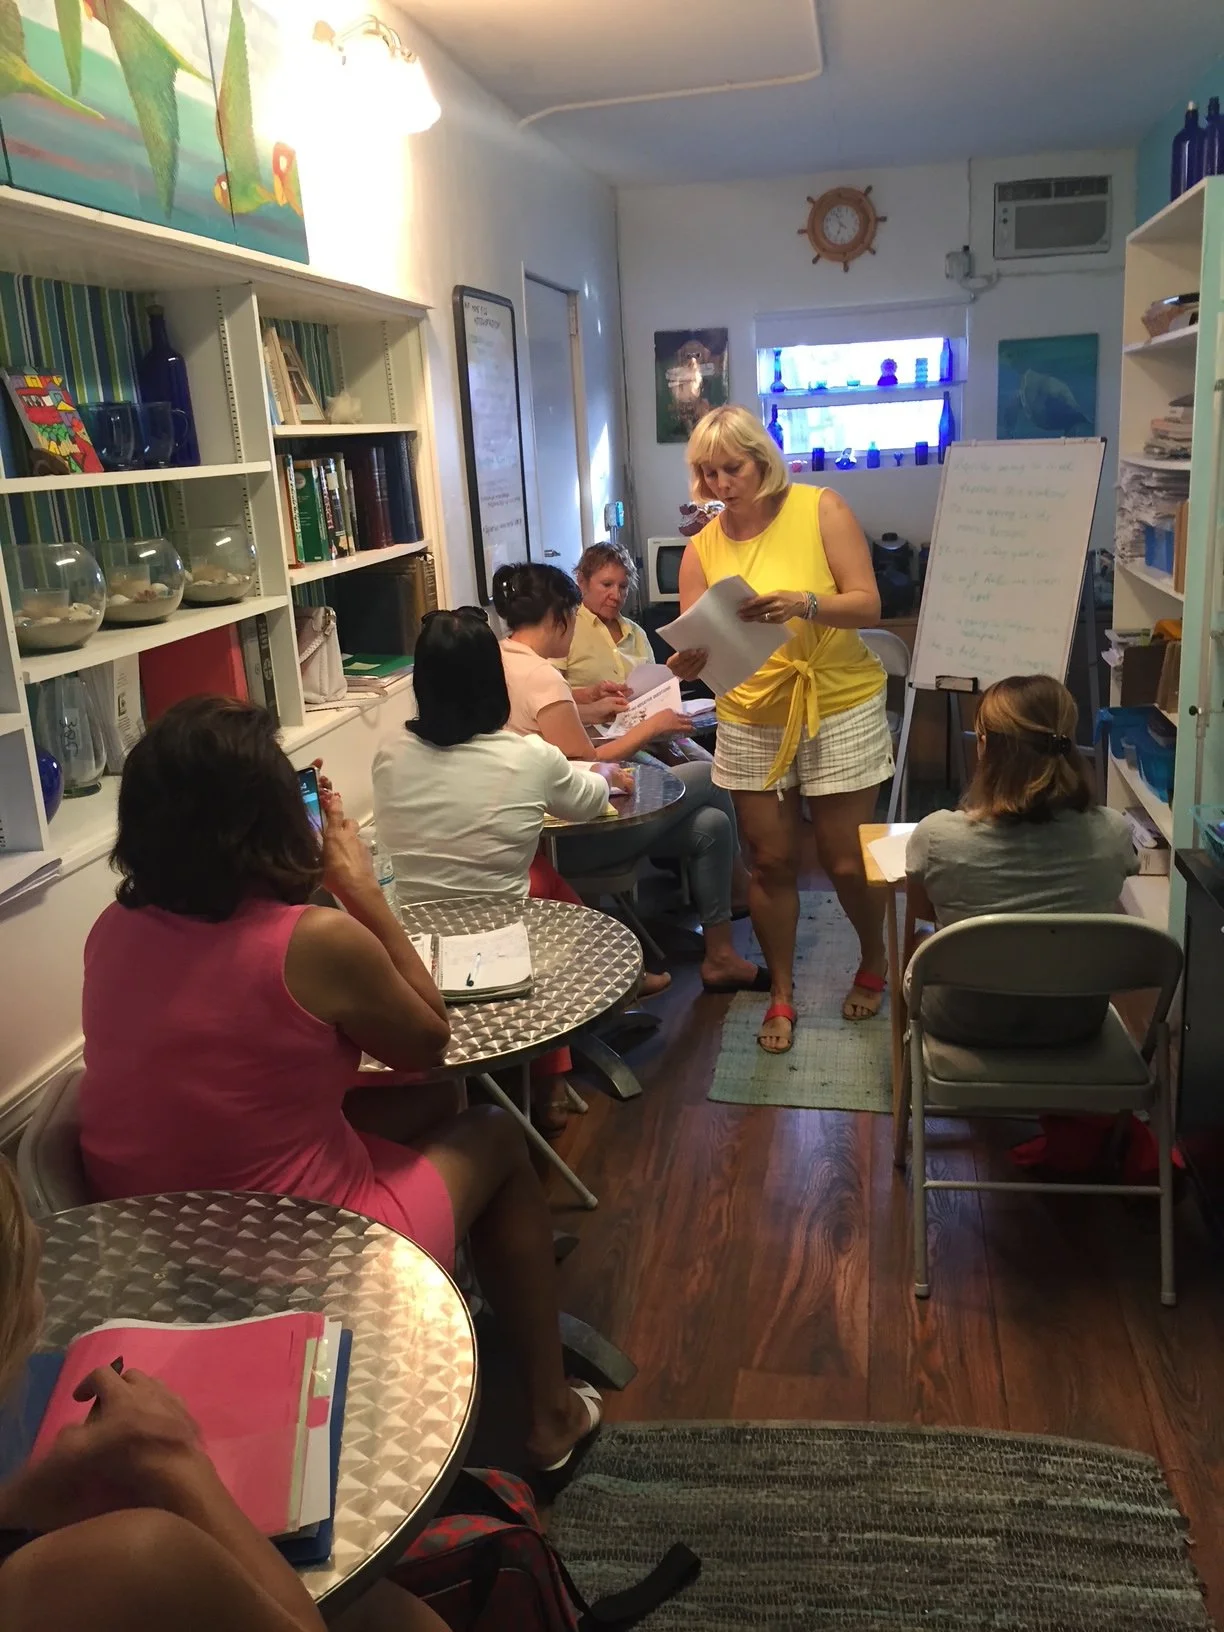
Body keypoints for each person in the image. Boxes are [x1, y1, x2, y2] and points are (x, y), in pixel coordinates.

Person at [77, 697, 600, 1476]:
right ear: (268, 820)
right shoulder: (312, 943)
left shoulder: (111, 929)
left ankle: (448, 1301)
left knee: (435, 1103)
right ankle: (550, 1415)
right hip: (301, 1243)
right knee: (491, 1132)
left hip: (159, 1230)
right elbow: (430, 1034)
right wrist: (358, 887)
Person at [0, 1155, 446, 1631]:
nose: (37, 1235)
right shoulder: (135, 1560)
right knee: (387, 1612)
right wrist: (174, 1456)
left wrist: (14, 1506)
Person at [372, 606, 643, 1133]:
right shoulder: (529, 757)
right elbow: (587, 801)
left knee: (540, 881)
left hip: (414, 949)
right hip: (502, 947)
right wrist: (608, 773)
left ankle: (542, 1077)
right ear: (494, 681)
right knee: (546, 893)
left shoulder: (390, 755)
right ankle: (552, 1073)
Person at [678, 404, 893, 1053]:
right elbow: (698, 640)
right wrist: (688, 662)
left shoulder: (820, 508)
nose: (720, 484)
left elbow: (868, 604)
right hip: (750, 713)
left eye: (732, 469)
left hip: (838, 701)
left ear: (761, 460)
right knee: (769, 860)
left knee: (844, 859)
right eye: (708, 473)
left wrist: (806, 603)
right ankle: (781, 990)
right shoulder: (701, 547)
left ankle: (874, 957)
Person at [493, 562, 766, 994]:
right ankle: (742, 888)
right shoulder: (542, 676)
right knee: (710, 774)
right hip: (569, 836)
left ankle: (721, 957)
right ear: (558, 617)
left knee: (710, 825)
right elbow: (588, 764)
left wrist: (585, 700)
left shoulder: (500, 657)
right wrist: (651, 727)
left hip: (545, 828)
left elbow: (544, 721)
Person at [904, 674, 1139, 1048]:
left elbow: (922, 910)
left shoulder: (937, 836)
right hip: (1076, 1022)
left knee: (921, 942)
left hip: (962, 1020)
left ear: (985, 747)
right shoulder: (1113, 832)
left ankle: (908, 1063)